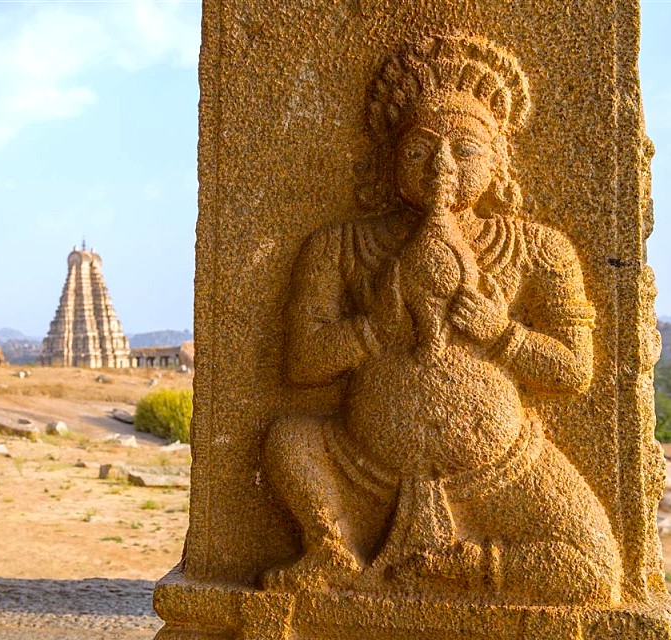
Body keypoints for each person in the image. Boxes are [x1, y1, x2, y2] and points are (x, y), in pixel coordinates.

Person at [262, 34, 620, 605]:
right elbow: (301, 363)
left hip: (500, 470)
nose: (442, 168)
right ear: (391, 162)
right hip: (361, 470)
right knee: (288, 441)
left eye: (465, 150)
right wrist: (373, 330)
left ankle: (462, 567)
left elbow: (575, 370)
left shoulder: (537, 249)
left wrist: (503, 335)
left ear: (500, 160)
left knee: (593, 568)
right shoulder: (343, 245)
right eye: (420, 150)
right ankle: (332, 543)